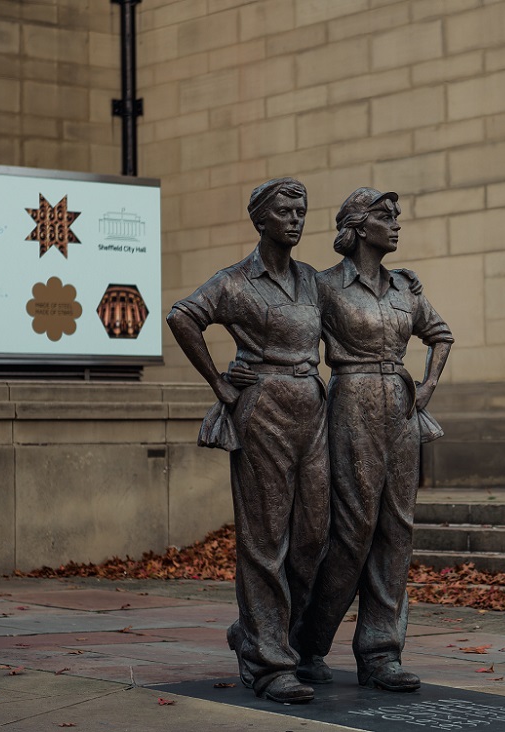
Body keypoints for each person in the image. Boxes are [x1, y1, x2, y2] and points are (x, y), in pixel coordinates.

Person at [166, 178, 327, 705]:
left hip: (313, 411)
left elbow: (352, 293)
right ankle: (267, 662)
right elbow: (183, 316)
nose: (296, 219)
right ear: (261, 219)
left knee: (312, 537)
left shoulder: (311, 280)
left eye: (301, 211)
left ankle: (257, 631)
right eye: (285, 211)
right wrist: (218, 382)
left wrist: (403, 283)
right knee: (265, 540)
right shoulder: (235, 282)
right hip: (263, 413)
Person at [294, 187, 453, 692]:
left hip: (400, 409)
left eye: (396, 216)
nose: (397, 223)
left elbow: (441, 335)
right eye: (387, 217)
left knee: (396, 529)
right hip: (350, 404)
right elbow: (292, 339)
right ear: (360, 227)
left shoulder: (406, 288)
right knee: (352, 532)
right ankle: (306, 641)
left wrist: (426, 386)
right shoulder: (323, 287)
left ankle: (381, 653)